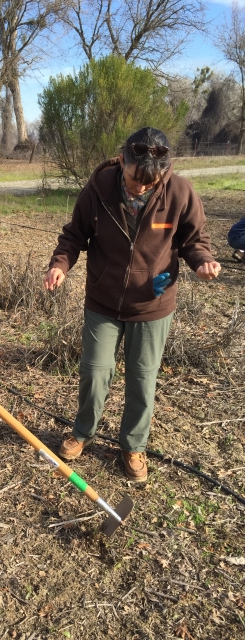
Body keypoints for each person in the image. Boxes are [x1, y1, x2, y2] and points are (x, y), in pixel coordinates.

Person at [44, 127, 221, 483]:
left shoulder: (180, 193)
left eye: (148, 183)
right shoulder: (99, 189)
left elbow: (194, 240)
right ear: (122, 159)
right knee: (95, 371)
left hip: (153, 303)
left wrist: (202, 260)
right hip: (103, 299)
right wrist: (59, 265)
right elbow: (74, 235)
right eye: (134, 179)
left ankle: (133, 445)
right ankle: (82, 432)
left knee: (142, 379)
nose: (140, 187)